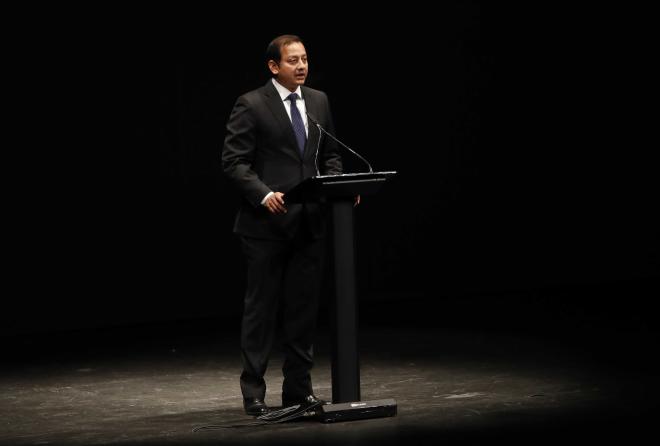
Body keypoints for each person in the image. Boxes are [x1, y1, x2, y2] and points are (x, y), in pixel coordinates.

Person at [221, 35, 343, 416]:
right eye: (293, 60)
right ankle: (254, 392)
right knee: (261, 312)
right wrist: (262, 193)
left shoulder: (318, 101)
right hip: (265, 227)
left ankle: (298, 390)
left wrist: (338, 185)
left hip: (309, 224)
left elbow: (332, 154)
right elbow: (234, 162)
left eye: (305, 59)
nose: (302, 66)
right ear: (274, 66)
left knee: (303, 313)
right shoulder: (252, 103)